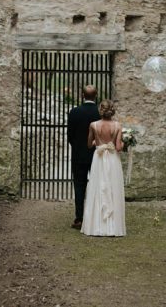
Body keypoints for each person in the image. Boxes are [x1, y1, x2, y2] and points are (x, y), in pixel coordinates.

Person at [81, 99, 126, 237]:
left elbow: (89, 144)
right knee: (112, 188)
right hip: (112, 159)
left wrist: (97, 141)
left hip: (99, 158)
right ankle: (112, 227)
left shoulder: (93, 125)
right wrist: (124, 143)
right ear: (112, 110)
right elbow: (118, 148)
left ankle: (96, 226)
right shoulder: (117, 125)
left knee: (98, 188)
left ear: (100, 110)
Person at [67, 85, 100, 230]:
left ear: (82, 95)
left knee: (79, 187)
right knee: (98, 186)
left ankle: (79, 218)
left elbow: (70, 135)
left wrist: (77, 147)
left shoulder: (74, 112)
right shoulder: (100, 113)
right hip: (97, 155)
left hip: (78, 155)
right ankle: (95, 217)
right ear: (96, 96)